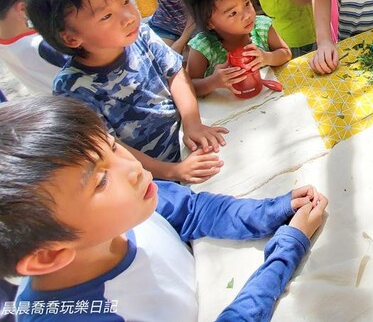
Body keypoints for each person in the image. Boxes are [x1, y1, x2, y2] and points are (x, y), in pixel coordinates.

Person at [0, 96, 328, 322]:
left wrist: (272, 210)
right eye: (100, 181)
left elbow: (194, 209)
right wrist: (288, 248)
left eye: (113, 146)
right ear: (47, 255)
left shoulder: (134, 204)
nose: (131, 167)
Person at [23, 0, 227, 184]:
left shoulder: (142, 36)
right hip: (149, 178)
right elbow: (110, 147)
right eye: (106, 15)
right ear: (71, 38)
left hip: (185, 144)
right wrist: (171, 171)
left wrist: (193, 123)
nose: (129, 17)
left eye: (125, 1)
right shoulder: (71, 89)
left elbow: (175, 74)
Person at [183, 0, 293, 96]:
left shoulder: (261, 27)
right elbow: (189, 87)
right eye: (233, 13)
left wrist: (266, 57)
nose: (247, 15)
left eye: (246, 3)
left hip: (268, 98)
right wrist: (212, 82)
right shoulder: (203, 47)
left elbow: (286, 53)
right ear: (209, 23)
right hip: (230, 110)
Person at [0, 0, 67, 95]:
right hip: (88, 106)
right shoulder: (43, 44)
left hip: (54, 107)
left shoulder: (4, 43)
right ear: (23, 8)